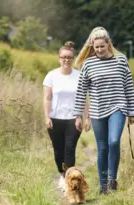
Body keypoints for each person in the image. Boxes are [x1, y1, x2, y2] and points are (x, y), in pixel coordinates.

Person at [72, 27, 134, 195]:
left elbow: (129, 87)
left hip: (118, 107)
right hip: (97, 110)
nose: (99, 50)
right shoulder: (88, 64)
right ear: (92, 46)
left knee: (114, 141)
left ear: (109, 44)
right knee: (102, 149)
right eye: (96, 47)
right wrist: (79, 115)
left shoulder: (121, 60)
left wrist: (132, 112)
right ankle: (103, 186)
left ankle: (112, 180)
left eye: (102, 46)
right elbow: (81, 91)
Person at [43, 41, 90, 192]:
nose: (66, 60)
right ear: (59, 58)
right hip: (55, 118)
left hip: (73, 119)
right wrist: (47, 117)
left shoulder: (79, 76)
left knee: (69, 149)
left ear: (73, 58)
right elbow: (47, 98)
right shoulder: (51, 76)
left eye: (69, 57)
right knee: (58, 151)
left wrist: (87, 117)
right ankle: (62, 175)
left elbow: (84, 98)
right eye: (63, 57)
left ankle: (69, 181)